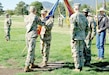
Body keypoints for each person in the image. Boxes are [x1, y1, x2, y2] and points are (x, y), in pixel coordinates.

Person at [24, 6, 45, 72]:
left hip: (27, 35)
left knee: (30, 50)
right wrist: (45, 20)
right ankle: (27, 66)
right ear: (35, 10)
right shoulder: (35, 17)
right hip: (32, 35)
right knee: (31, 51)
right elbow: (41, 23)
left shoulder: (26, 17)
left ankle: (32, 63)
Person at [70, 3, 88, 72]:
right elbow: (87, 28)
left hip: (76, 37)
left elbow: (73, 28)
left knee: (75, 52)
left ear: (75, 8)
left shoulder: (73, 16)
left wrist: (72, 37)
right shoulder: (83, 16)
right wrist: (84, 35)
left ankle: (77, 67)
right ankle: (81, 66)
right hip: (82, 36)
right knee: (81, 52)